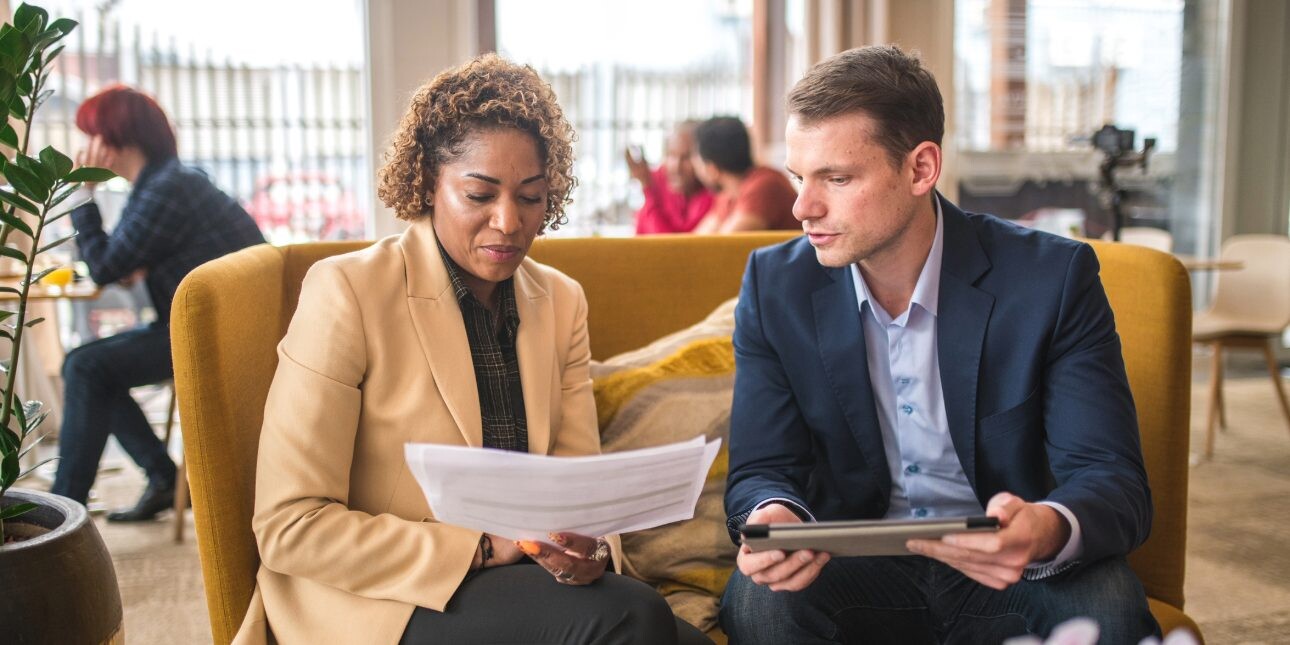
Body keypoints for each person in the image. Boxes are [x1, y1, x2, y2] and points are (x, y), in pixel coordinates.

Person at [238, 55, 710, 645]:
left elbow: (577, 482)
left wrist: (590, 545)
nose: (509, 222)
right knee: (632, 619)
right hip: (378, 593)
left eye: (531, 197)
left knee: (670, 632)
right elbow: (290, 526)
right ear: (428, 182)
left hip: (524, 576)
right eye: (479, 194)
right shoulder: (348, 291)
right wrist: (486, 547)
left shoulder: (561, 301)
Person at [720, 46, 1160, 643]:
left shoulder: (1052, 279)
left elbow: (1112, 477)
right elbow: (762, 468)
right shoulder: (776, 287)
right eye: (800, 177)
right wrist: (775, 517)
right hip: (859, 568)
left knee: (1108, 604)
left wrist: (1045, 527)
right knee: (759, 600)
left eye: (838, 178)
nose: (803, 207)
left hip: (1014, 569)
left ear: (921, 169)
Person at [50, 85, 264, 521]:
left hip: (221, 334)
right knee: (90, 366)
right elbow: (120, 263)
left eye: (90, 135)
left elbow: (105, 266)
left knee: (86, 366)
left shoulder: (168, 188)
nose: (83, 148)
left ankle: (61, 513)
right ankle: (161, 478)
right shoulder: (166, 183)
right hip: (207, 324)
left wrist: (81, 193)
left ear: (112, 137)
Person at [689, 116, 797, 234]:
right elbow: (696, 240)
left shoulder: (765, 185)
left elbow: (722, 245)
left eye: (696, 161)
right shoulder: (728, 195)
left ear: (712, 169)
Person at [625, 121, 713, 234]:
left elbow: (672, 247)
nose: (676, 167)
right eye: (671, 155)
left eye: (686, 157)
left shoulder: (713, 191)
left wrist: (648, 189)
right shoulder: (657, 178)